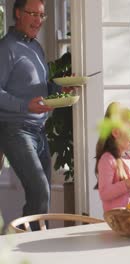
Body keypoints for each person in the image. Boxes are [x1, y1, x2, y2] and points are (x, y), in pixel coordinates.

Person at [0, 0, 74, 228]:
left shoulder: (36, 47)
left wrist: (60, 89)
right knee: (40, 189)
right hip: (16, 130)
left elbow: (41, 87)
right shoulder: (6, 48)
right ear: (18, 13)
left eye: (42, 15)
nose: (38, 20)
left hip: (39, 131)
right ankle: (31, 247)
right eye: (33, 14)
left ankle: (31, 247)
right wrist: (25, 106)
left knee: (42, 196)